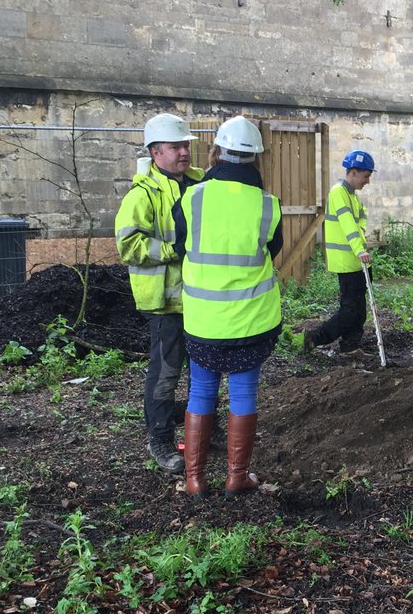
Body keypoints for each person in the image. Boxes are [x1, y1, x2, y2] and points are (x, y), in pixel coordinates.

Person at [172, 116, 283, 497]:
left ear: (216, 151)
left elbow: (178, 246)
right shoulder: (269, 205)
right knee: (243, 393)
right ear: (256, 159)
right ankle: (237, 477)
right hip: (252, 322)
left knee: (200, 391)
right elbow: (272, 250)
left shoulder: (192, 198)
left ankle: (194, 480)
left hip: (204, 322)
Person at [115, 113, 204, 474]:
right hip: (166, 303)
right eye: (175, 147)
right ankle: (160, 439)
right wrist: (172, 250)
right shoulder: (143, 195)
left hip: (202, 297)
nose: (184, 152)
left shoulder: (201, 183)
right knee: (166, 372)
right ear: (155, 152)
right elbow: (128, 245)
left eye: (186, 145)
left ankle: (200, 434)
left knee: (203, 371)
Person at [304, 149, 375, 355]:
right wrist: (359, 249)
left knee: (359, 311)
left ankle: (350, 346)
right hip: (347, 261)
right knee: (350, 311)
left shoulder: (353, 197)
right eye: (366, 176)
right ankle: (315, 338)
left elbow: (361, 221)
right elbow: (347, 225)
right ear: (353, 172)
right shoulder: (339, 193)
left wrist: (360, 249)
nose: (367, 181)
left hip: (357, 261)